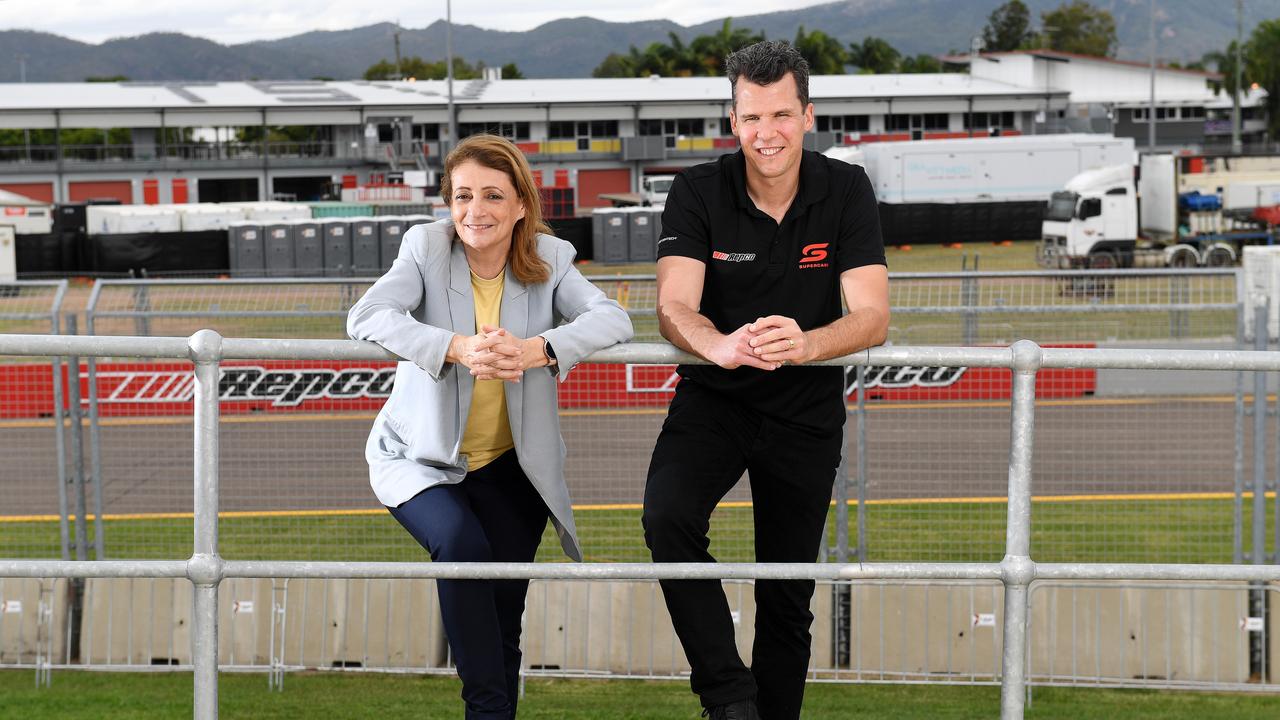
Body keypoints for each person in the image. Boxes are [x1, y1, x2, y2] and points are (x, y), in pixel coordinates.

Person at [642, 41, 890, 720]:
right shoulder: (697, 189)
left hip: (806, 409)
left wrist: (807, 343)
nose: (766, 133)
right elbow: (672, 306)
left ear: (808, 116)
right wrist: (716, 345)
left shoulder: (846, 189)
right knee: (666, 517)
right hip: (714, 400)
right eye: (751, 117)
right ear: (732, 119)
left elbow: (872, 317)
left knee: (787, 592)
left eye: (781, 115)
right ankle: (728, 697)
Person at [347, 133, 633, 719]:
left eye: (493, 196)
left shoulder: (550, 259)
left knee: (504, 618)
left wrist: (540, 349)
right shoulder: (426, 247)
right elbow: (367, 314)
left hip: (513, 468)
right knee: (461, 546)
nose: (475, 211)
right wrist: (453, 347)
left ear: (521, 204)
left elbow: (613, 318)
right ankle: (487, 709)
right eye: (462, 196)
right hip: (421, 460)